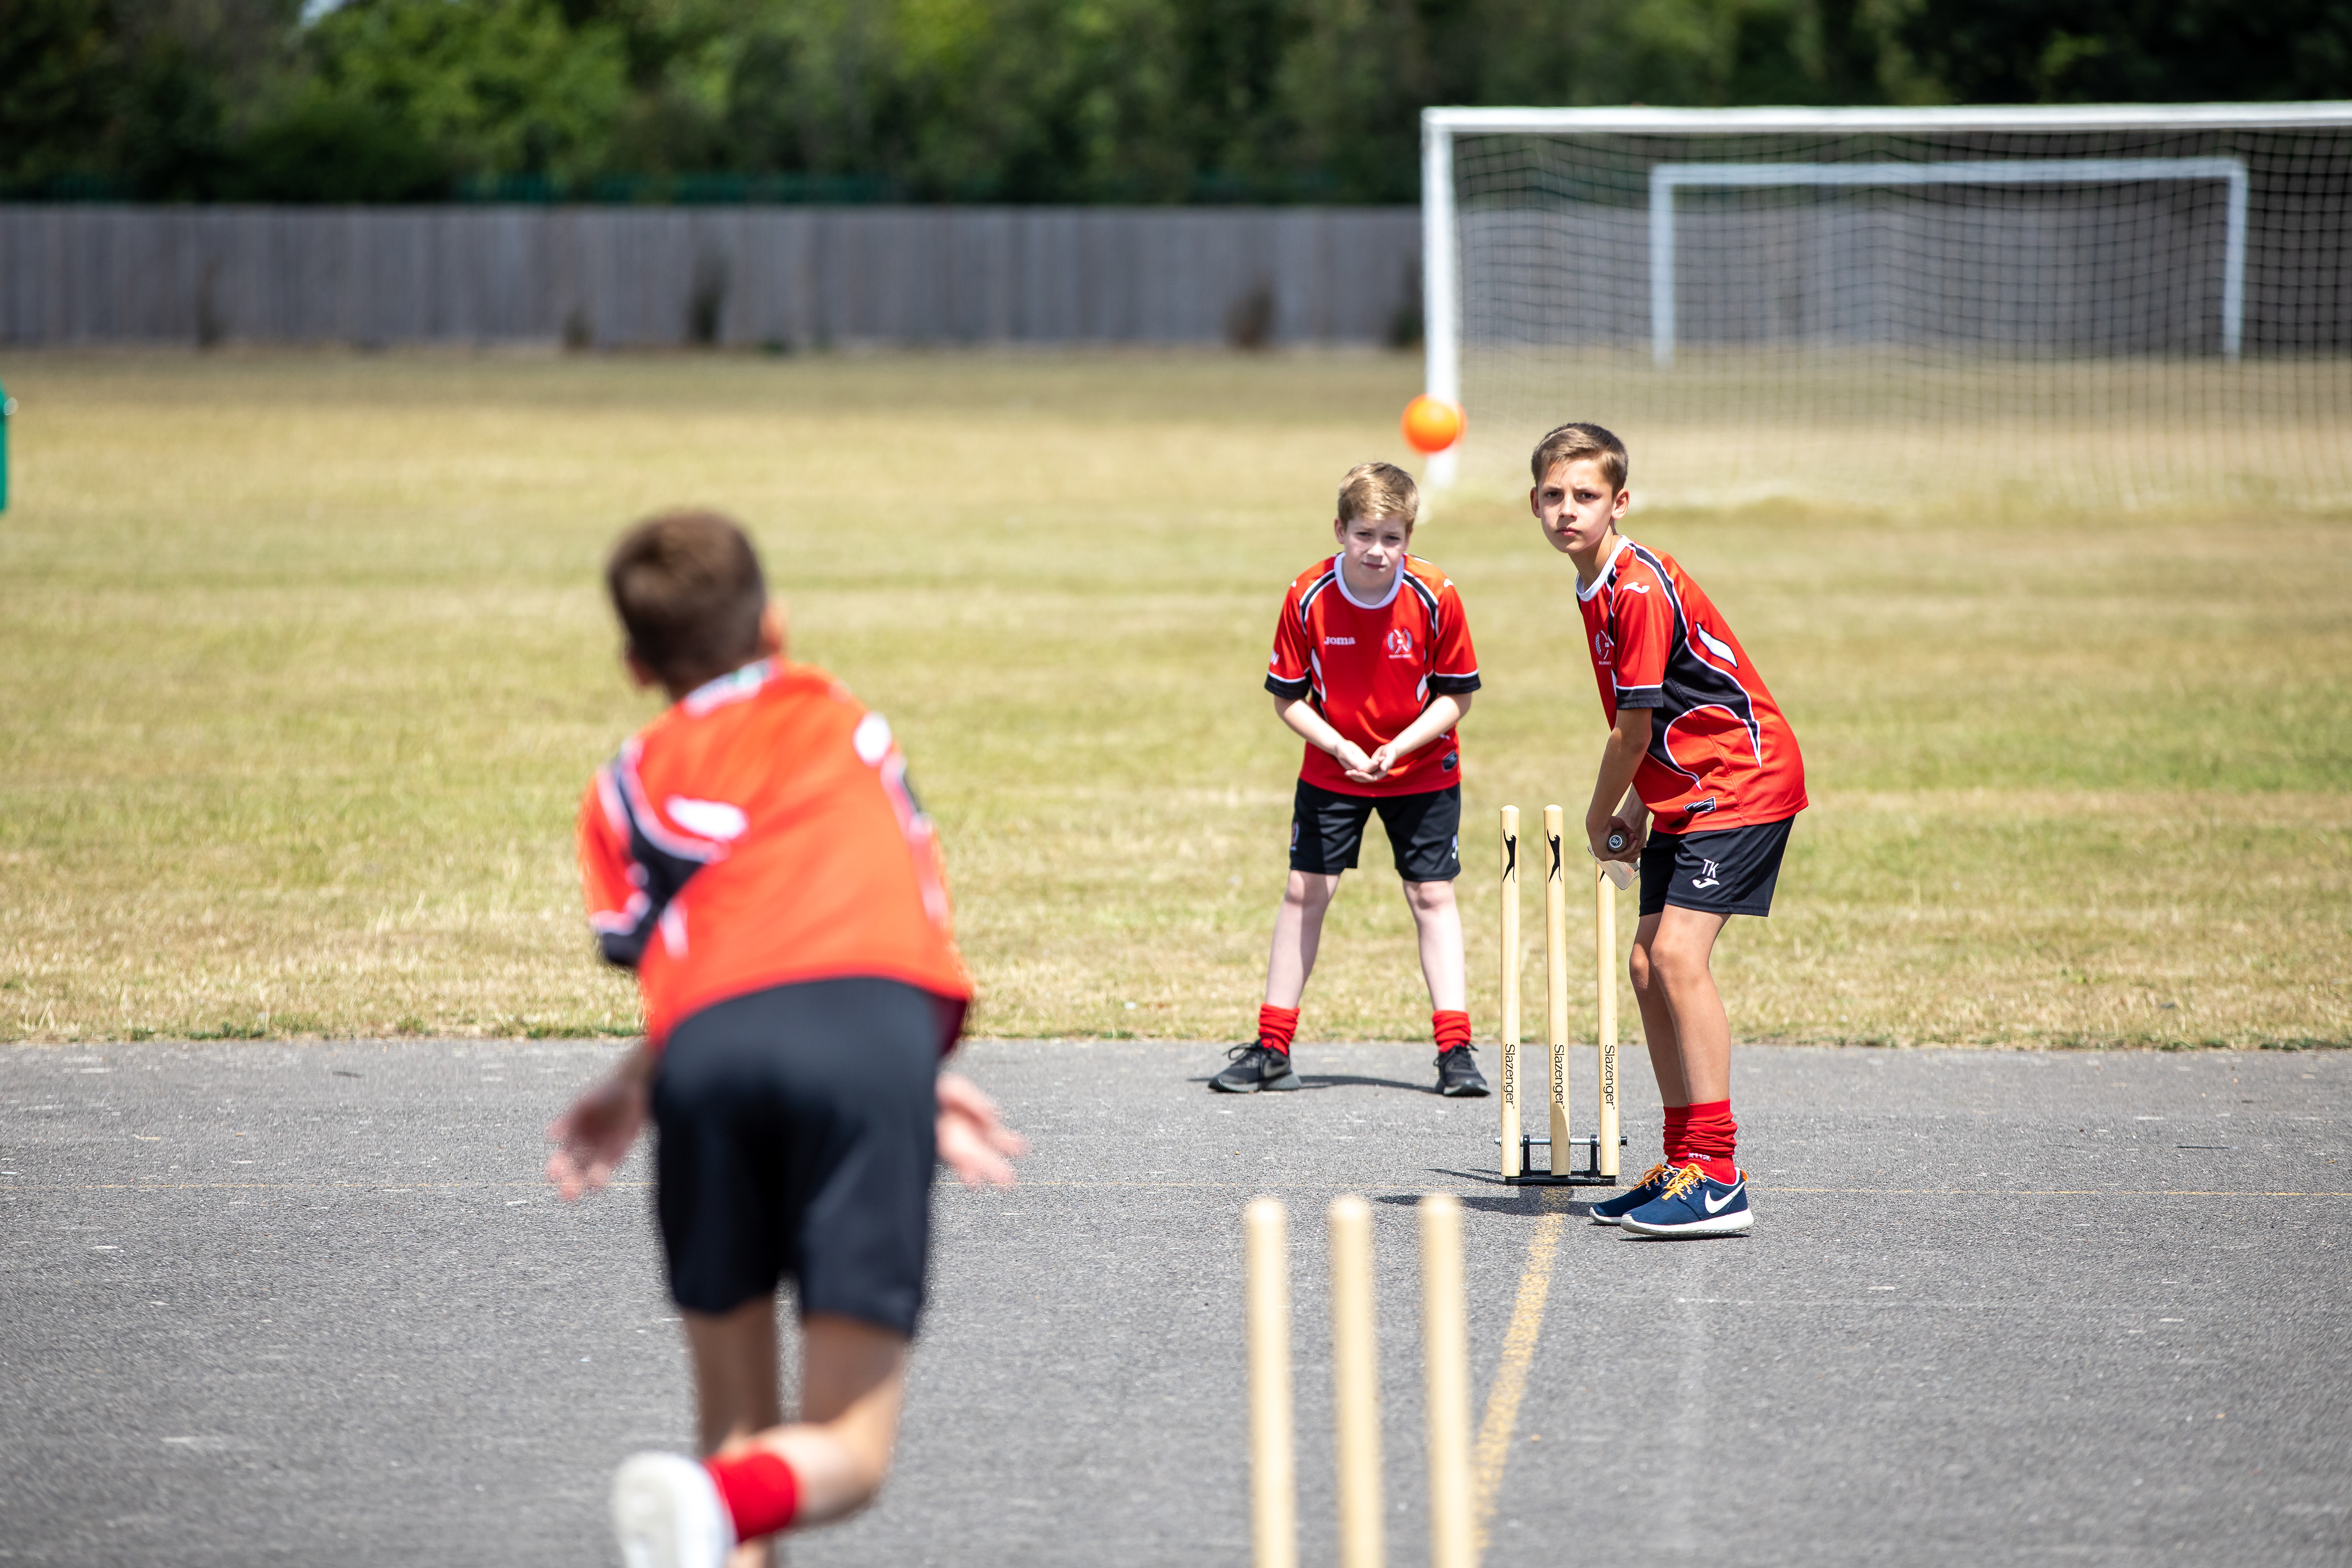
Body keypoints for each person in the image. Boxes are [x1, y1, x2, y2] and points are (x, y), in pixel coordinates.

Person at [544, 510, 1027, 1568]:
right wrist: (905, 1068)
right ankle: (710, 1508)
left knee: (731, 1448)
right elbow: (879, 920)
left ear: (635, 666)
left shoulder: (625, 782)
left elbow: (711, 958)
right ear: (777, 622)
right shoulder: (849, 723)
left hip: (708, 1059)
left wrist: (634, 1083)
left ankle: (707, 1507)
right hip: (872, 1040)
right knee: (843, 1454)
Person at [1528, 424, 1805, 1238]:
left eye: (1585, 496)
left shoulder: (1638, 587)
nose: (1566, 510)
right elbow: (1662, 710)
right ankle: (1685, 1161)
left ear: (1619, 503)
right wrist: (1643, 808)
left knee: (1680, 958)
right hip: (1685, 790)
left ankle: (1719, 1176)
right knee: (1646, 965)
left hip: (1742, 779)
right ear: (1534, 504)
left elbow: (1633, 729)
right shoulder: (1593, 586)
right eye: (1553, 496)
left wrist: (1602, 813)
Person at [1212, 462, 1490, 1099]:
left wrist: (1398, 747)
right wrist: (1339, 745)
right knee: (1305, 891)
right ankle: (1272, 1047)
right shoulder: (1307, 594)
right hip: (1332, 768)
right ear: (1340, 529)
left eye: (1392, 537)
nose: (1378, 550)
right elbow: (1288, 698)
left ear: (1409, 537)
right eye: (1365, 534)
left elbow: (1456, 698)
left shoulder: (1436, 594)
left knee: (1431, 897)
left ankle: (1455, 1051)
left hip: (1420, 767)